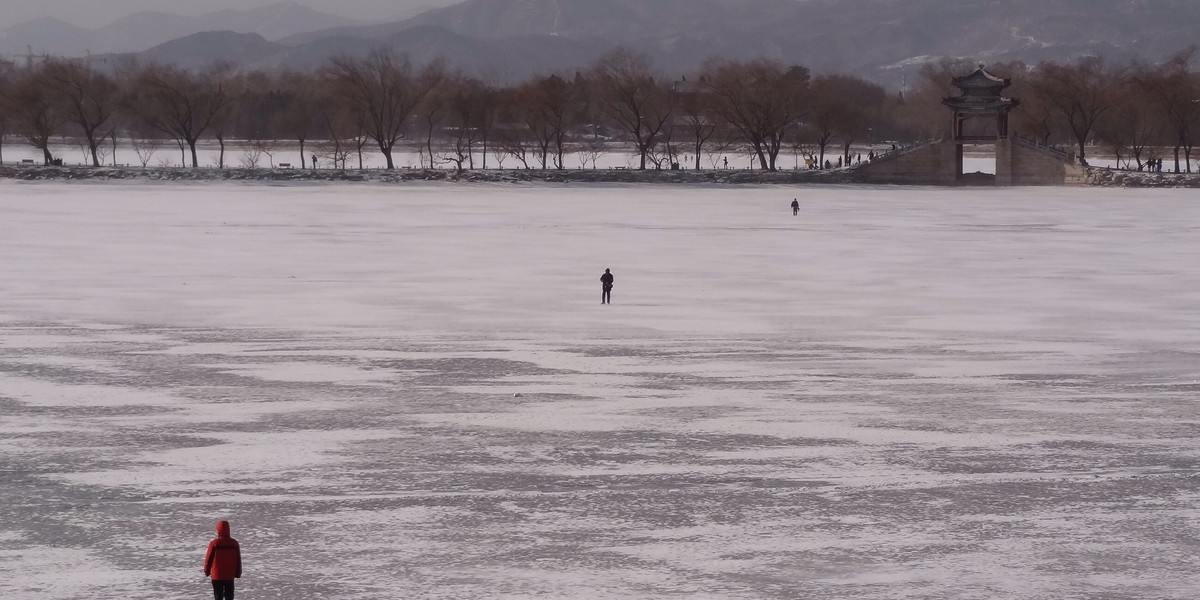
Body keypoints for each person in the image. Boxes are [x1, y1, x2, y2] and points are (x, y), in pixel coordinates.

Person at [203, 520, 242, 600]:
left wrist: (206, 571)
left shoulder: (214, 543)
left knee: (218, 597)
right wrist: (238, 573)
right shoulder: (234, 543)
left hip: (216, 575)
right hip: (229, 575)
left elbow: (208, 559)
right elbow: (238, 560)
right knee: (229, 597)